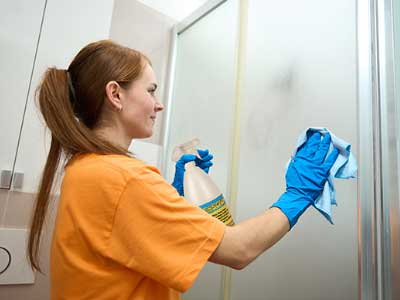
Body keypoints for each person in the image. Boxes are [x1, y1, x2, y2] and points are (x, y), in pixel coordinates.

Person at [28, 40, 339, 300]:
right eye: (150, 91)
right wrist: (298, 193)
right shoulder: (123, 178)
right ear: (116, 94)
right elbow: (239, 249)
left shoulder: (84, 168)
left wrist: (170, 198)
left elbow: (119, 243)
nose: (158, 104)